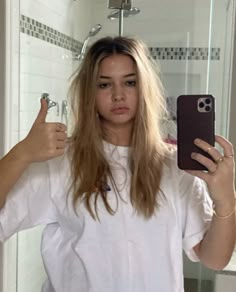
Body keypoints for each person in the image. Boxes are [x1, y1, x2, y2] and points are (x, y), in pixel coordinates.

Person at [0, 36, 235, 292]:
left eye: (130, 82)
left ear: (144, 88)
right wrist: (20, 154)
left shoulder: (176, 167)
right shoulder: (61, 162)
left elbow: (214, 258)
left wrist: (226, 199)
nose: (118, 95)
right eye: (104, 84)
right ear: (90, 92)